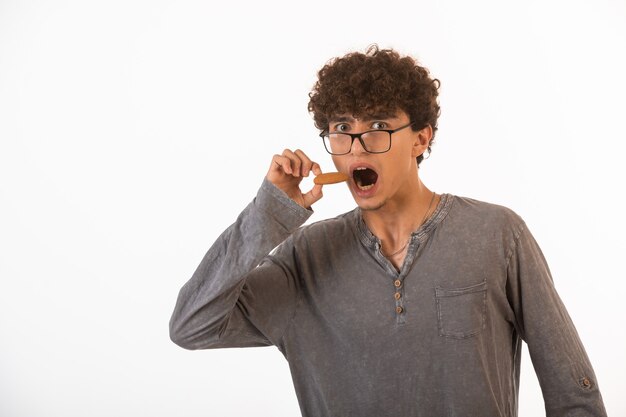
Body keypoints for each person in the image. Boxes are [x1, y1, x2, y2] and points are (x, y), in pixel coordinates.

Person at [169, 45, 607, 417]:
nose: (357, 146)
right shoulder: (304, 259)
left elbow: (573, 390)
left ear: (421, 139)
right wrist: (269, 214)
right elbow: (192, 326)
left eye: (378, 127)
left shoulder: (496, 235)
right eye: (342, 129)